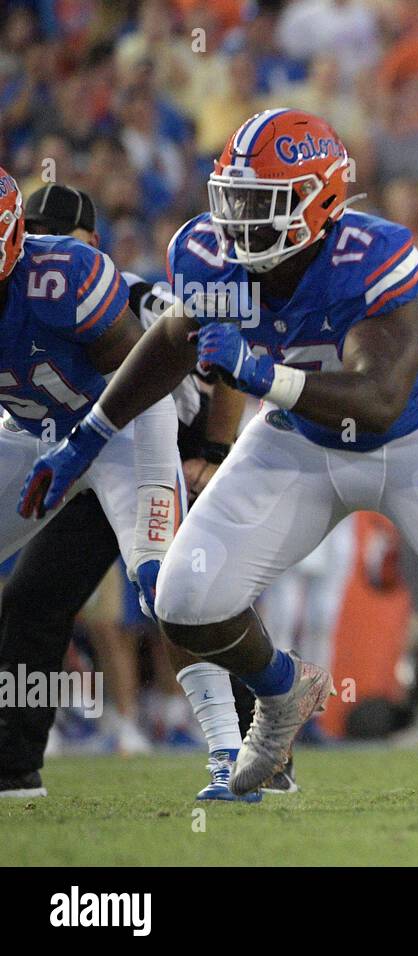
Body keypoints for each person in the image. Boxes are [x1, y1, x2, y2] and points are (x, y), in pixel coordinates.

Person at [21, 109, 418, 805]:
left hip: (416, 444)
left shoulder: (371, 254)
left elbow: (378, 399)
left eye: (262, 202)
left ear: (322, 199)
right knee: (184, 599)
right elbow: (170, 340)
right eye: (233, 198)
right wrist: (86, 438)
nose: (240, 220)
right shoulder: (208, 255)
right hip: (301, 440)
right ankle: (283, 694)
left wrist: (259, 374)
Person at [0, 173, 184, 798]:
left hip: (125, 439)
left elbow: (168, 379)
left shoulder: (99, 283)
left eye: (60, 235)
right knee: (31, 601)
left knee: (177, 592)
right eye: (41, 229)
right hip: (40, 444)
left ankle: (257, 726)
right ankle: (14, 766)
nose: (49, 243)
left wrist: (209, 453)